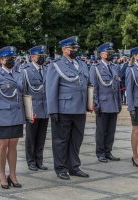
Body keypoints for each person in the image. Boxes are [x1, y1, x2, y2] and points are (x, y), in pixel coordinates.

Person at [46, 36, 89, 180]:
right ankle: (61, 168)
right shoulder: (56, 65)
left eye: (76, 48)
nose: (75, 50)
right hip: (63, 109)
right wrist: (52, 110)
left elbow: (85, 85)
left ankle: (74, 166)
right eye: (72, 48)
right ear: (64, 49)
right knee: (61, 140)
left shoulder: (81, 64)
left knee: (76, 140)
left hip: (79, 108)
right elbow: (51, 89)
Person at [0, 46, 25, 189]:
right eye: (9, 59)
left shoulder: (18, 74)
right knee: (2, 145)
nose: (12, 61)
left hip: (17, 115)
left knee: (14, 145)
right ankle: (2, 176)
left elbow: (23, 95)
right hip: (2, 116)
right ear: (2, 60)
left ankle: (13, 175)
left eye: (13, 59)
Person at [90, 43, 122, 163]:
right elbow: (94, 88)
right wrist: (96, 104)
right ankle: (100, 153)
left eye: (111, 53)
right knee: (101, 130)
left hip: (113, 103)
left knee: (111, 130)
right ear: (102, 54)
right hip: (103, 104)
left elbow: (117, 87)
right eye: (108, 53)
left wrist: (119, 103)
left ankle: (108, 152)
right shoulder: (96, 68)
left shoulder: (114, 67)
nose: (111, 55)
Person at [23, 45, 49, 171]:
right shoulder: (26, 71)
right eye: (40, 56)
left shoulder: (47, 69)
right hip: (32, 108)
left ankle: (39, 160)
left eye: (43, 56)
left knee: (41, 137)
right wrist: (26, 111)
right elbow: (23, 91)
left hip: (45, 109)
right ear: (33, 57)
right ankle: (31, 161)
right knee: (31, 137)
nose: (42, 58)